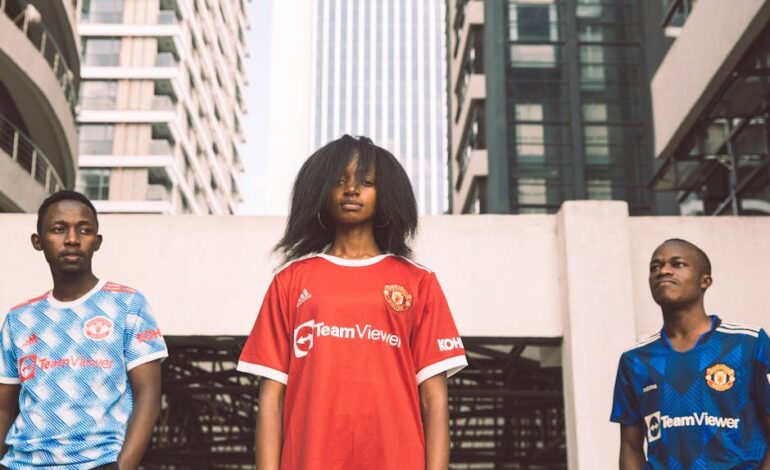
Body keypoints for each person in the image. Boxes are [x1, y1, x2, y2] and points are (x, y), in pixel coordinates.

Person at [237, 135, 468, 470]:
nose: (352, 190)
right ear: (320, 190)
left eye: (366, 182)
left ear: (387, 193)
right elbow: (271, 398)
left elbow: (434, 400)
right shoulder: (290, 281)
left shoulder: (418, 282)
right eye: (339, 181)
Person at [0, 190, 168, 469]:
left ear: (97, 241)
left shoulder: (127, 304)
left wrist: (121, 467)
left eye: (84, 230)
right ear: (38, 241)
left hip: (98, 461)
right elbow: (4, 408)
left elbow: (148, 395)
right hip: (21, 463)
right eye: (59, 229)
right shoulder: (19, 318)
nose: (72, 239)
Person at [610, 238, 770, 469]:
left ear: (705, 280)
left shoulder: (749, 343)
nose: (663, 271)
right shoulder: (635, 359)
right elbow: (631, 448)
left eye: (678, 264)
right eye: (655, 267)